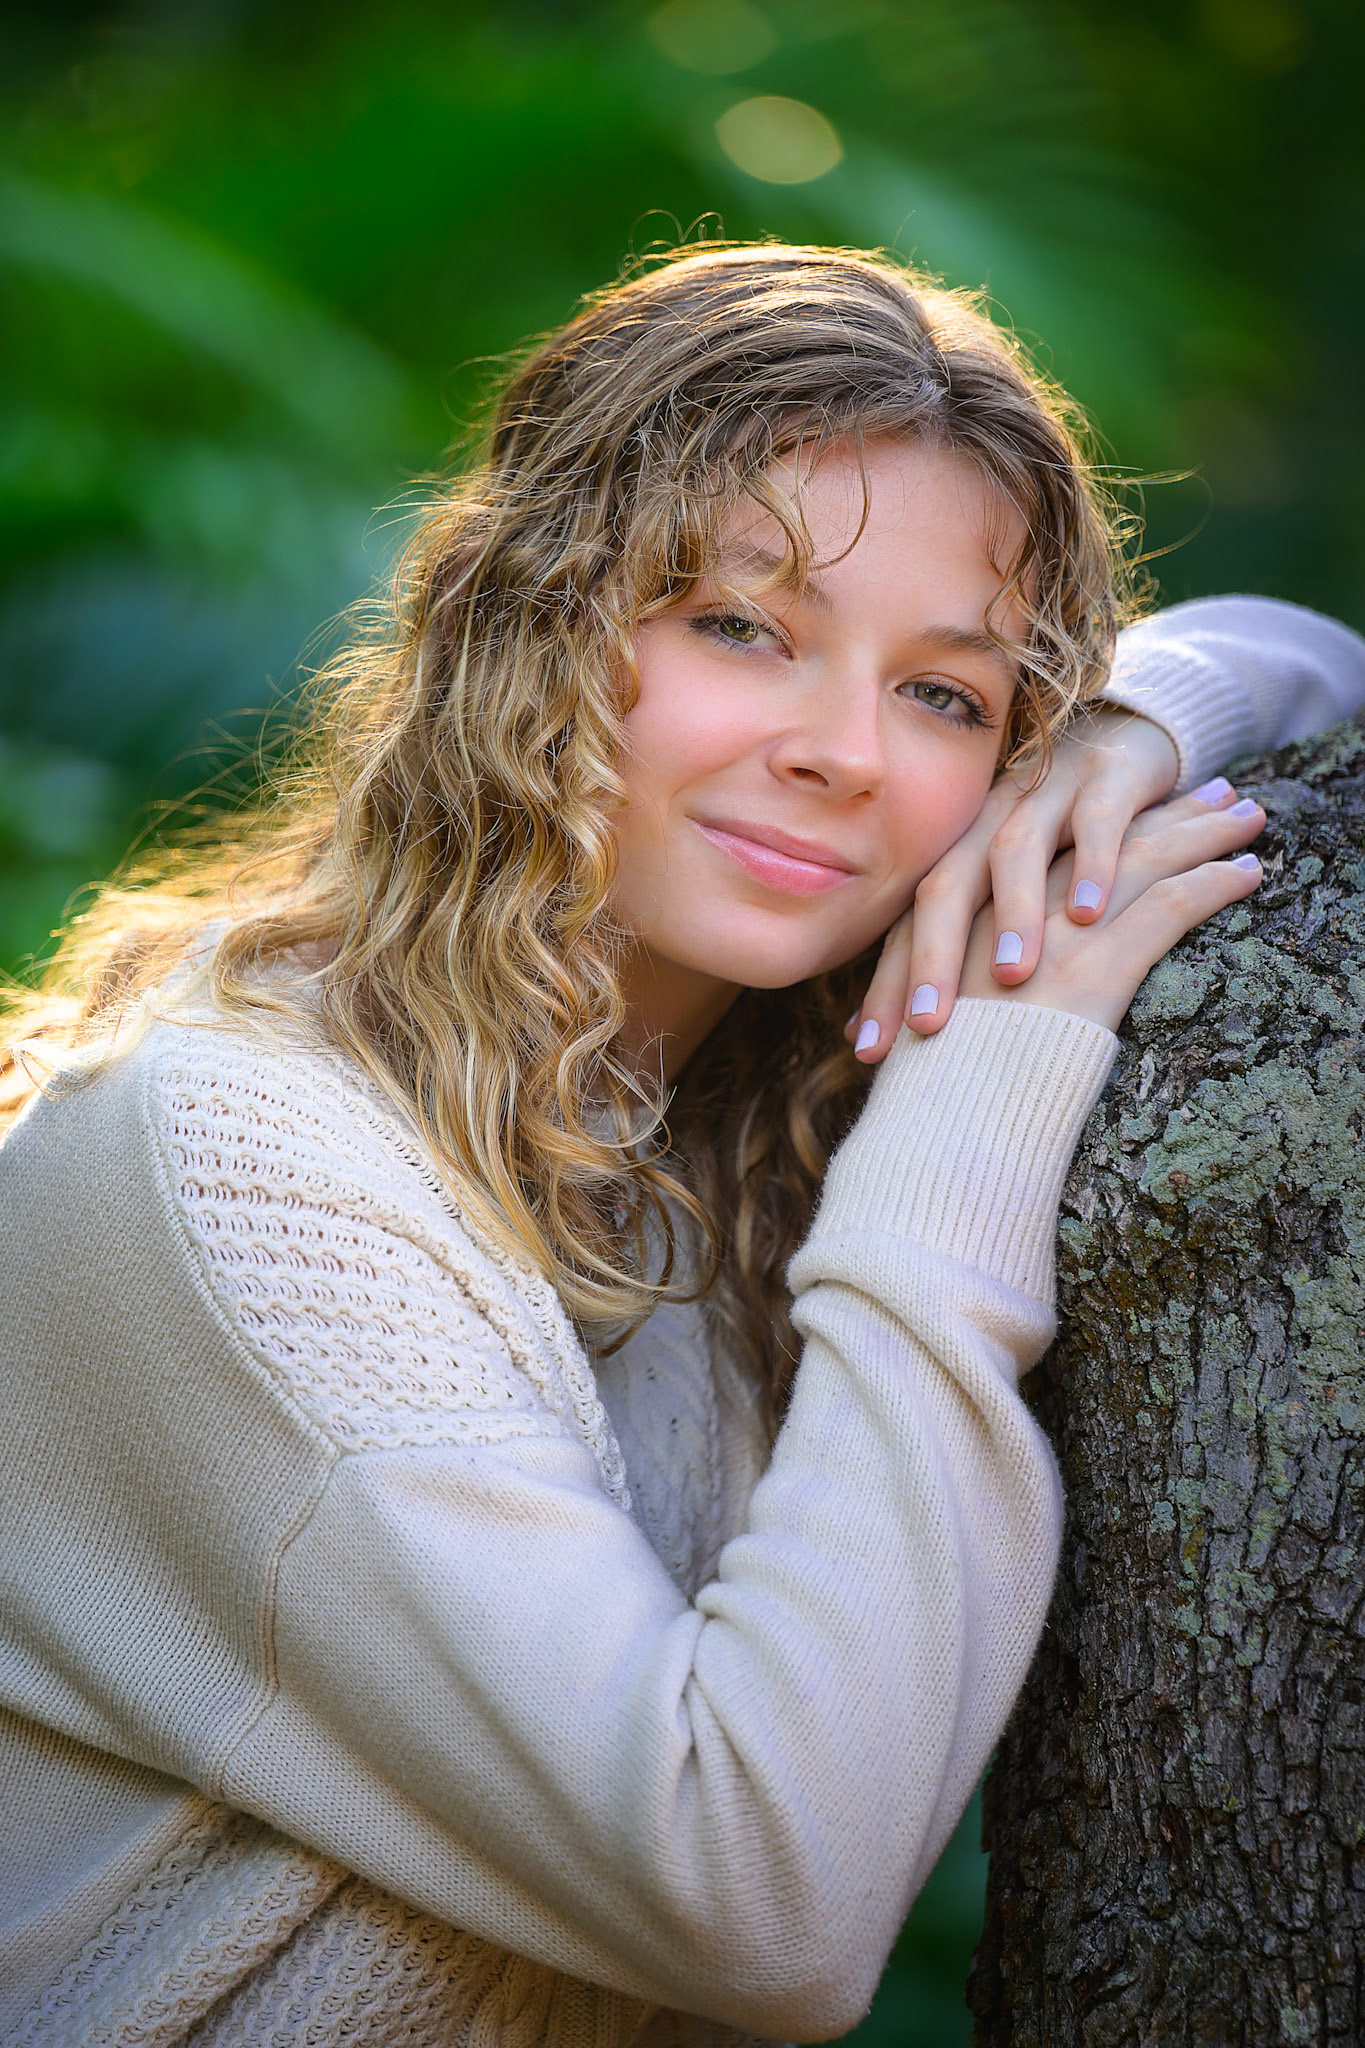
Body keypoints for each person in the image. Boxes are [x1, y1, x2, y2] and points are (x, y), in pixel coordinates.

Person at [1, 244, 1362, 2048]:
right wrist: (989, 1075)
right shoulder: (229, 1157)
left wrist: (1121, 735)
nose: (845, 755)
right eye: (741, 627)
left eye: (946, 696)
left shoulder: (723, 1125)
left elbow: (1318, 664)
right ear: (535, 621)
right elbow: (760, 1909)